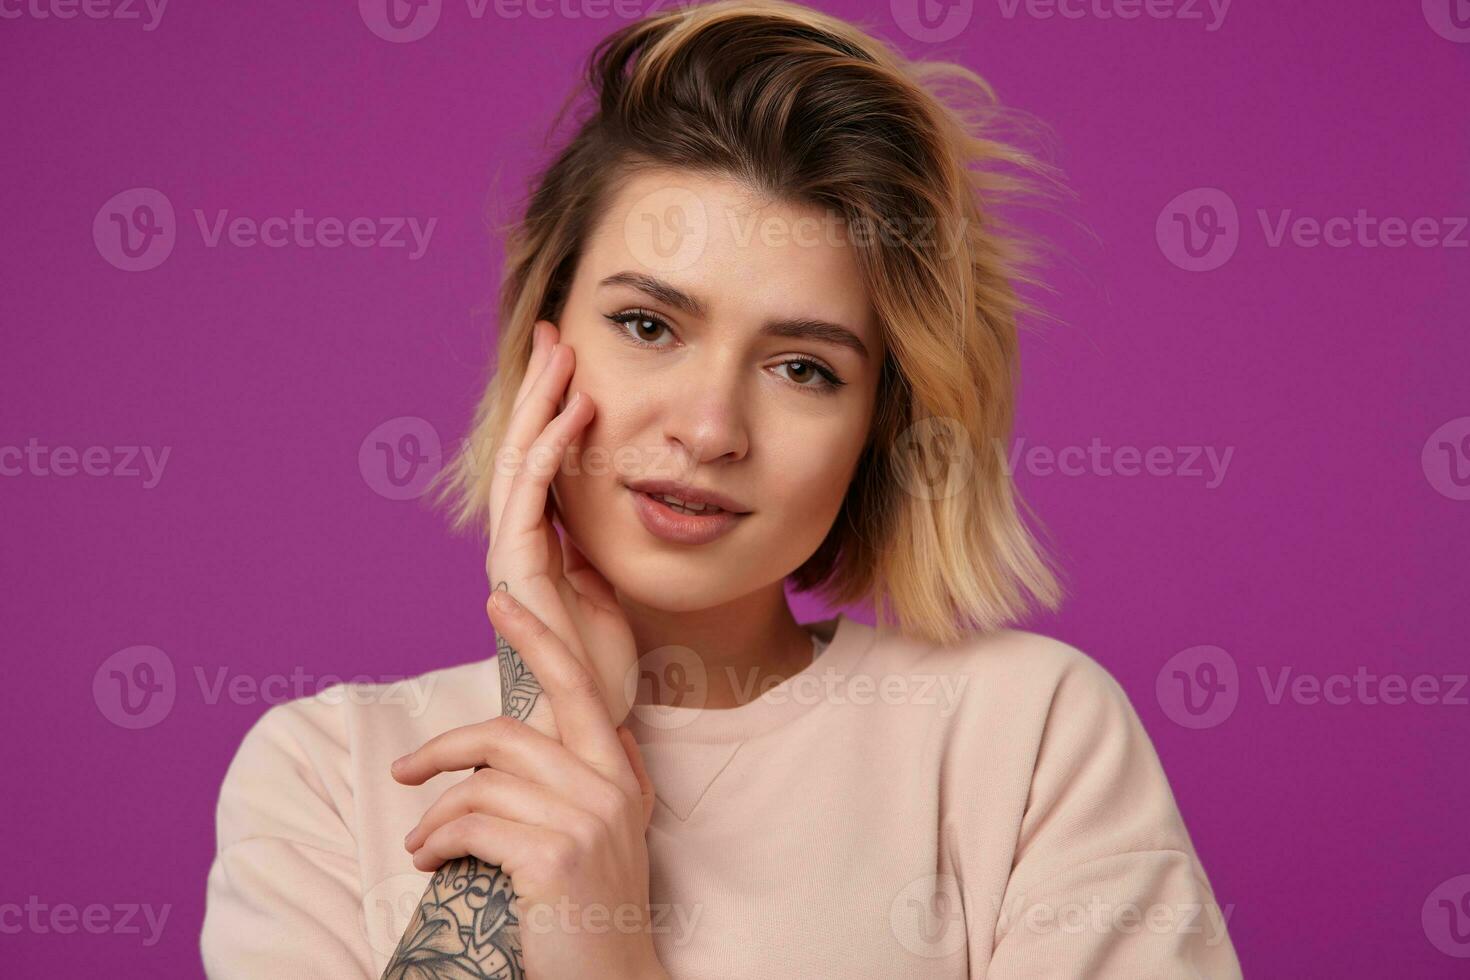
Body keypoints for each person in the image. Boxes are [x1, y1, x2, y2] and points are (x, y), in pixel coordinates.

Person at [201, 1, 1242, 976]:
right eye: (648, 326)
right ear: (539, 340)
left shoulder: (1025, 736)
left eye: (803, 368)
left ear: (878, 426)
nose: (707, 429)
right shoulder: (329, 772)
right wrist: (544, 727)